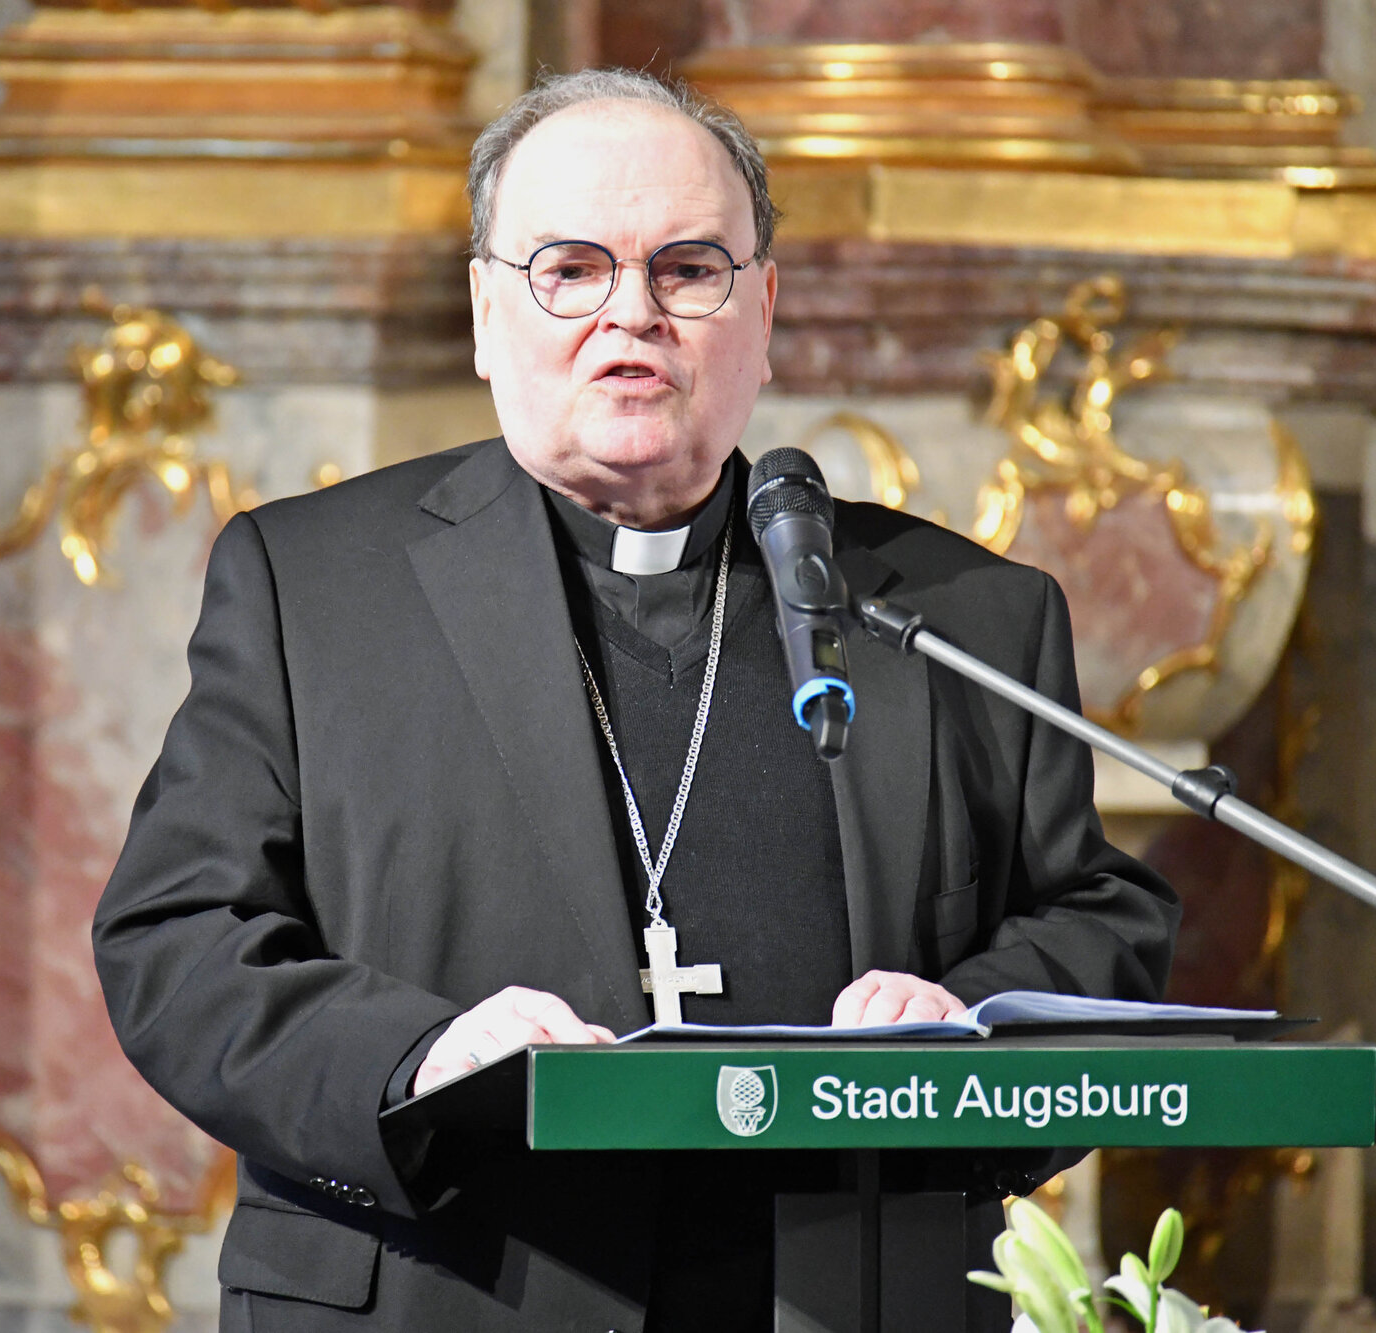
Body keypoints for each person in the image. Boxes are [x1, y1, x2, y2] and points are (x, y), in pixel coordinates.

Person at [93, 68, 1178, 1332]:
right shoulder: (313, 587)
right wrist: (417, 1059)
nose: (634, 315)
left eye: (687, 269)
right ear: (487, 311)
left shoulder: (952, 613)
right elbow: (177, 940)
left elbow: (1101, 920)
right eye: (570, 269)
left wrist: (969, 1024)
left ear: (762, 309)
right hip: (444, 1293)